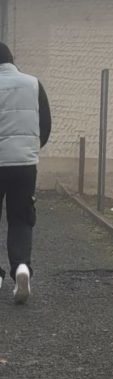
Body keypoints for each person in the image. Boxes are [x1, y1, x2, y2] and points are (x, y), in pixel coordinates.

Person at [0, 43, 51, 304]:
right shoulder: (33, 84)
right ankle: (21, 266)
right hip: (24, 164)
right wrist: (30, 149)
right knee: (21, 218)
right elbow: (45, 124)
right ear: (12, 60)